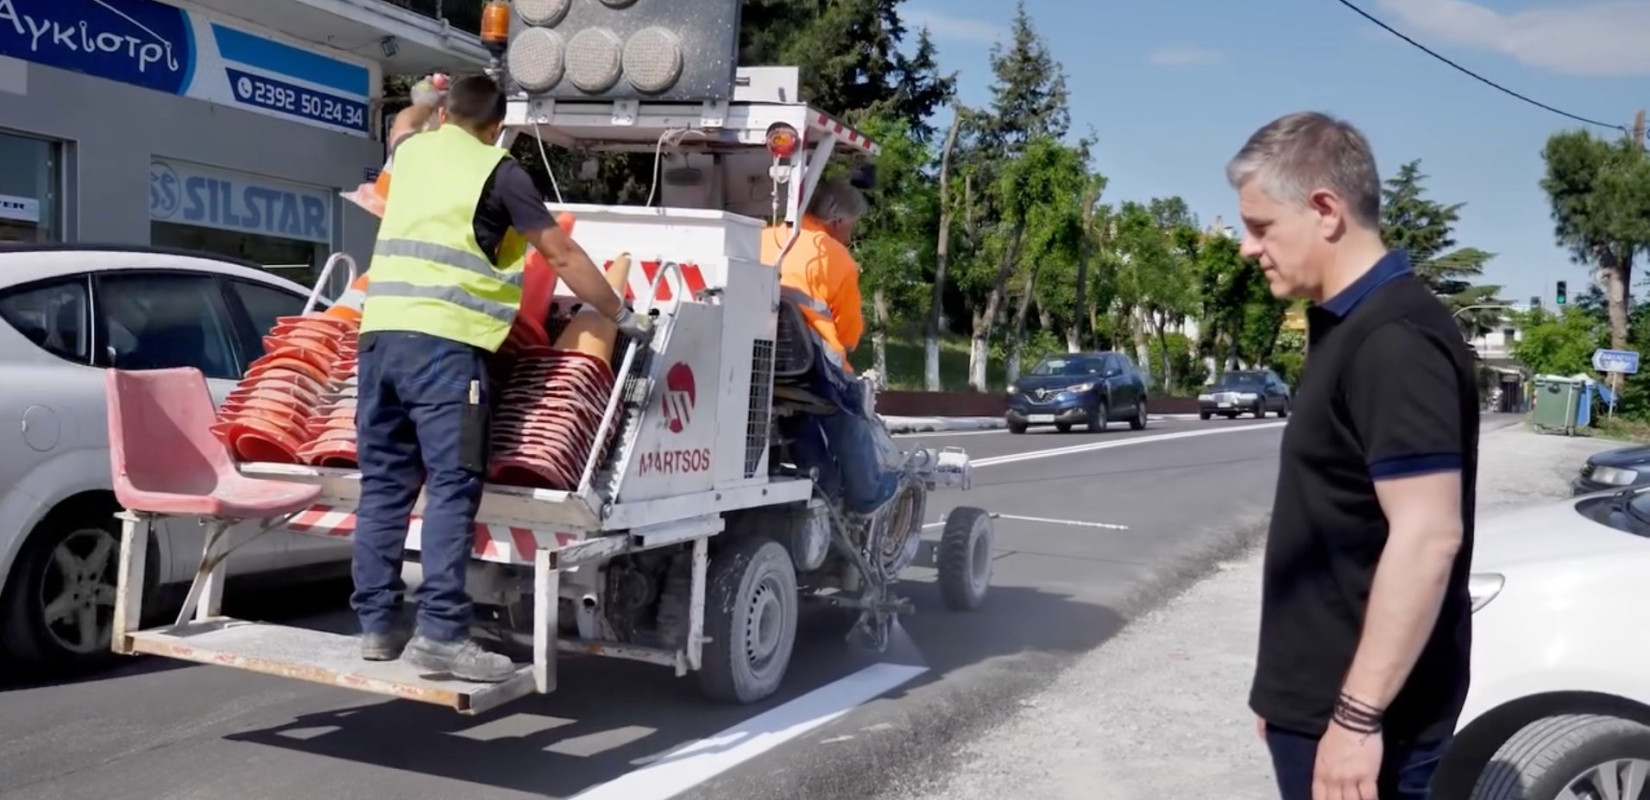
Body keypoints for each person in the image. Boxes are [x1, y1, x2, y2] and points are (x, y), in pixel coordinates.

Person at [351, 73, 650, 682]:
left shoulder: (412, 153)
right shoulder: (500, 170)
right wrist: (621, 315)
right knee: (453, 488)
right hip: (445, 351)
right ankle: (439, 635)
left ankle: (379, 626)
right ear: (496, 128)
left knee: (384, 486)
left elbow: (403, 127)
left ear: (445, 116)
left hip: (379, 340)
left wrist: (419, 103)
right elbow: (560, 256)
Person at [1227, 111, 1477, 800]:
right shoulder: (1347, 327)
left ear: (1325, 210)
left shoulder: (1394, 339)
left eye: (1261, 226)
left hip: (1369, 725)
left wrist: (1355, 718)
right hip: (1317, 706)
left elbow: (1428, 538)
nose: (1249, 248)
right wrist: (1288, 696)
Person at [760, 177, 901, 514]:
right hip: (811, 369)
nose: (851, 234)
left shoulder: (763, 237)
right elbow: (849, 336)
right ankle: (866, 494)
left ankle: (821, 478)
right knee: (848, 409)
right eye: (852, 226)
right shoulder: (835, 256)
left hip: (758, 363)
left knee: (798, 412)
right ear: (836, 222)